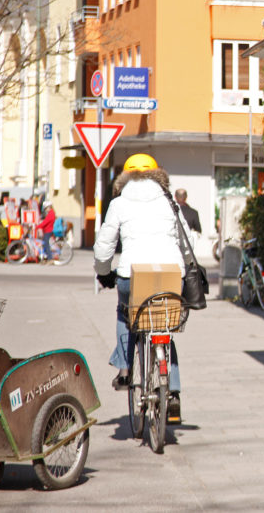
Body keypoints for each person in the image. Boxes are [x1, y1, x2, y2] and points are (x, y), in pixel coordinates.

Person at [94, 153, 189, 423]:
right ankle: (174, 394)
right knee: (164, 326)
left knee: (126, 313)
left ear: (125, 177)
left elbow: (104, 245)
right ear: (157, 175)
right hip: (171, 275)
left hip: (131, 276)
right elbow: (187, 239)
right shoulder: (170, 201)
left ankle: (125, 369)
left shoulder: (120, 203)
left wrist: (104, 273)